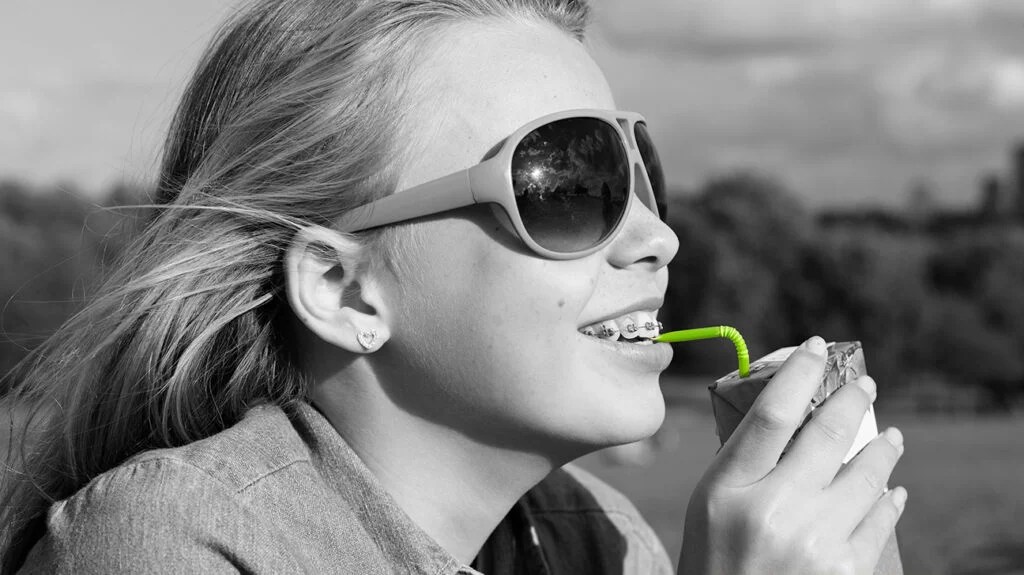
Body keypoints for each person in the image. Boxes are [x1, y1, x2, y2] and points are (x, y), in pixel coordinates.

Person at [0, 0, 908, 572]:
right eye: (568, 184)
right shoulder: (166, 546)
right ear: (344, 289)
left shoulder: (599, 536)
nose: (659, 237)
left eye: (640, 172)